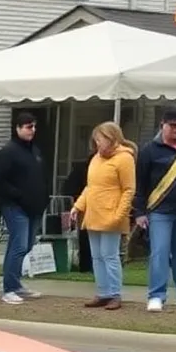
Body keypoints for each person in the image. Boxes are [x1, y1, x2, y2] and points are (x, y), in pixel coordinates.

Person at [133, 106, 176, 311]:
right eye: (173, 126)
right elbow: (140, 184)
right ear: (163, 125)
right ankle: (156, 295)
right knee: (159, 252)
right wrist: (139, 212)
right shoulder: (148, 151)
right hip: (159, 211)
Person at [69, 122, 136, 311]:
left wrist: (119, 215)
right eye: (96, 140)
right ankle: (103, 292)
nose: (97, 143)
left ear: (111, 138)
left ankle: (115, 294)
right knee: (96, 256)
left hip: (111, 213)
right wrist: (78, 206)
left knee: (110, 255)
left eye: (100, 139)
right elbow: (90, 187)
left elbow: (128, 190)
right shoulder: (96, 158)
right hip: (94, 213)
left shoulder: (124, 158)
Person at [0, 111, 47, 305]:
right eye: (27, 126)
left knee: (28, 245)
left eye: (33, 126)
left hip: (34, 206)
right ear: (17, 128)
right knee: (19, 245)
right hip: (15, 206)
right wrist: (18, 195)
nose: (32, 130)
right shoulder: (8, 151)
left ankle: (15, 283)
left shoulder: (35, 151)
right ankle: (9, 287)